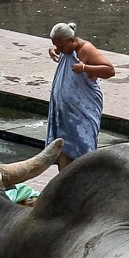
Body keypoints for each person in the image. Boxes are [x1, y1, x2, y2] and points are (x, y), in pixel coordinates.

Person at [45, 23, 115, 170]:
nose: (61, 50)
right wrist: (53, 50)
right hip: (64, 114)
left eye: (62, 46)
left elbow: (110, 71)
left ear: (72, 40)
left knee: (82, 149)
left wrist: (84, 68)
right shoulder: (66, 48)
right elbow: (59, 48)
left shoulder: (86, 49)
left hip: (83, 111)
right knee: (63, 148)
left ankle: (85, 182)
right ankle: (64, 185)